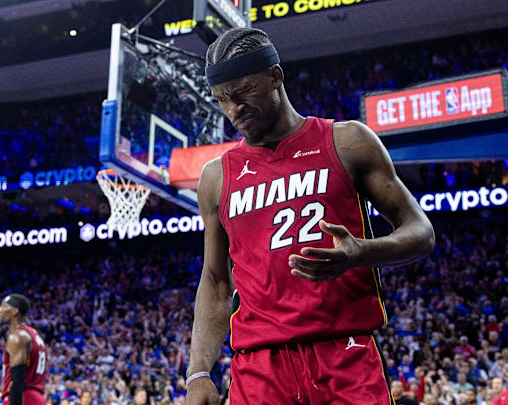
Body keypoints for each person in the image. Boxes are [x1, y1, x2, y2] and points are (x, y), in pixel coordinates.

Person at [186, 27, 434, 404]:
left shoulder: (348, 141)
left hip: (344, 356)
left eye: (242, 93)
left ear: (275, 75)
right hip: (259, 368)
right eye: (222, 99)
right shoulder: (216, 177)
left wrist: (360, 252)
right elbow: (217, 281)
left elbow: (421, 232)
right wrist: (198, 372)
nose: (233, 109)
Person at [0, 294, 48, 405]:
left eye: (4, 307)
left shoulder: (18, 336)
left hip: (23, 398)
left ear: (15, 311)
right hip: (36, 397)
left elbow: (17, 381)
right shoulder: (34, 334)